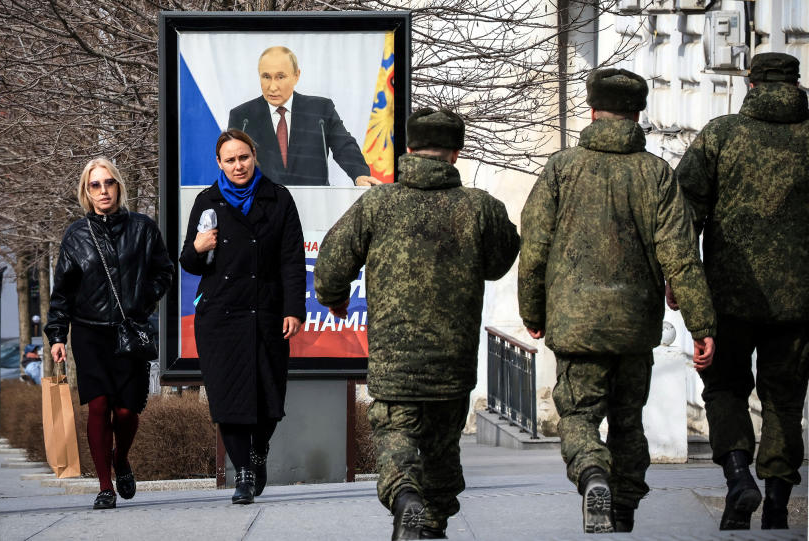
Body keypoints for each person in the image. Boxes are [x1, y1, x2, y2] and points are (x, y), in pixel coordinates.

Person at [518, 69, 717, 534]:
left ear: (592, 110)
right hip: (633, 328)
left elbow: (535, 247)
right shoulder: (656, 174)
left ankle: (592, 477)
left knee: (580, 415)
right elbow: (681, 256)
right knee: (629, 423)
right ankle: (623, 506)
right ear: (638, 114)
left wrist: (533, 310)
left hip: (575, 326)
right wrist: (702, 322)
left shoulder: (561, 168)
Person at [314, 108, 520, 540]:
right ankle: (430, 525)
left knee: (396, 442)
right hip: (452, 366)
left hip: (394, 367)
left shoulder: (377, 203)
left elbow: (331, 266)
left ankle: (406, 500)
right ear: (455, 154)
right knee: (443, 457)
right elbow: (501, 262)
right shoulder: (479, 207)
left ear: (407, 149)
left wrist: (333, 300)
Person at [672, 52, 809, 531]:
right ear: (795, 84)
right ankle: (776, 501)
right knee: (785, 399)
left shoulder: (721, 134)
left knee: (725, 387)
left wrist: (682, 281)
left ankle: (737, 477)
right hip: (800, 303)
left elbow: (682, 213)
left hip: (728, 298)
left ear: (750, 84)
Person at [179, 129, 306, 505]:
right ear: (219, 163)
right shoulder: (207, 201)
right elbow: (188, 260)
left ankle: (258, 451)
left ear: (255, 157)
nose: (238, 165)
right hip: (220, 315)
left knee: (269, 398)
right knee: (227, 398)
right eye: (230, 160)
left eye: (244, 157)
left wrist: (294, 309)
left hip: (265, 313)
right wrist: (198, 247)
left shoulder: (278, 199)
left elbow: (292, 261)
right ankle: (244, 473)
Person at [45, 157, 174, 510]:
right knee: (99, 407)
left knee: (127, 412)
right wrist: (57, 334)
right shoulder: (76, 235)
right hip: (89, 333)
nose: (103, 191)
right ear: (86, 192)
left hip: (129, 332)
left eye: (109, 183)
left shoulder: (143, 229)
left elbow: (164, 272)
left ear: (119, 186)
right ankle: (105, 486)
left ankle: (121, 460)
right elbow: (63, 292)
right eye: (95, 185)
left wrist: (141, 301)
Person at [227, 46, 380, 187]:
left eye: (280, 77)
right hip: (260, 207)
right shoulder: (242, 117)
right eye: (266, 77)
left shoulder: (320, 110)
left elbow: (344, 146)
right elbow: (231, 162)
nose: (272, 86)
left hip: (315, 204)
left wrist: (359, 174)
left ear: (296, 76)